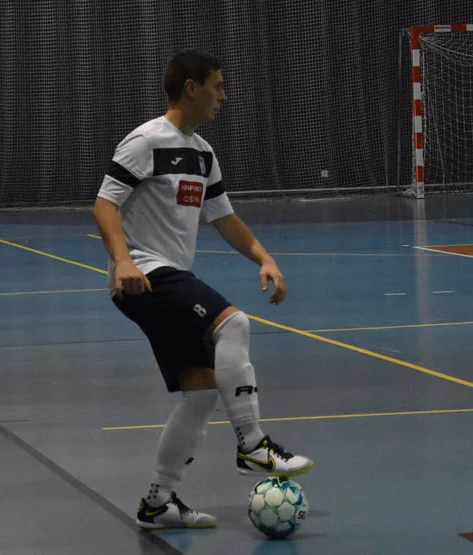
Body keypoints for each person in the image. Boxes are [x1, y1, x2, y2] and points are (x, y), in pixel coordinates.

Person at [93, 50, 313, 530]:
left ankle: (159, 500)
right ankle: (253, 445)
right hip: (146, 275)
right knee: (233, 323)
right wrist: (124, 260)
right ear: (190, 88)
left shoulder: (203, 152)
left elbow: (224, 218)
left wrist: (264, 258)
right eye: (217, 85)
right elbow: (105, 204)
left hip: (165, 273)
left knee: (200, 393)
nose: (223, 95)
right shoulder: (146, 140)